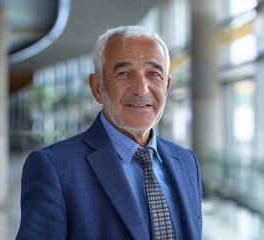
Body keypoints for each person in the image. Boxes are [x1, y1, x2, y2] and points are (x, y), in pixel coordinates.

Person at [16, 25, 202, 240]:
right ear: (97, 88)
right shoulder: (54, 169)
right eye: (124, 73)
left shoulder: (186, 162)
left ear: (167, 86)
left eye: (154, 73)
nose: (141, 89)